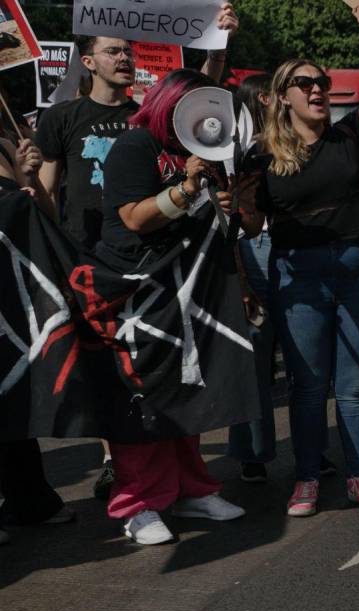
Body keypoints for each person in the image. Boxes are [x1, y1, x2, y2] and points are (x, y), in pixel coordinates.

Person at [35, 4, 240, 500]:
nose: (125, 57)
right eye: (113, 50)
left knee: (156, 372)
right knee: (113, 374)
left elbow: (199, 91)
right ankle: (123, 470)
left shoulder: (145, 120)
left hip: (158, 262)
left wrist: (220, 40)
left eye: (128, 50)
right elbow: (46, 190)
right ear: (88, 61)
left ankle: (153, 476)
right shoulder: (64, 117)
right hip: (91, 259)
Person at [241, 0, 359, 518]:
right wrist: (240, 203)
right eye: (305, 83)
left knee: (351, 387)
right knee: (307, 386)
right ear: (282, 97)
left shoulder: (349, 134)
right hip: (299, 276)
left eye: (321, 82)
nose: (318, 89)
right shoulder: (260, 155)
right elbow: (254, 225)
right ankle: (305, 479)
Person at [97, 69, 250, 544]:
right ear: (170, 104)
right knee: (142, 401)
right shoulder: (135, 147)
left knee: (188, 391)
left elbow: (219, 230)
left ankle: (190, 489)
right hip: (139, 293)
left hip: (191, 292)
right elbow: (132, 218)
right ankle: (138, 504)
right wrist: (184, 191)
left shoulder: (208, 152)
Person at [0, 134, 75, 543]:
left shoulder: (6, 144)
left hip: (12, 293)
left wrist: (29, 177)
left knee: (14, 398)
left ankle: (29, 500)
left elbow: (46, 215)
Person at [226, 73, 294, 485]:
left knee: (306, 355)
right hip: (254, 249)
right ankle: (253, 451)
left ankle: (311, 451)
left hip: (292, 248)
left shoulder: (296, 139)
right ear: (265, 98)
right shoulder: (235, 147)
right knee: (254, 355)